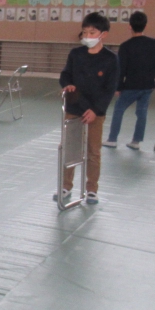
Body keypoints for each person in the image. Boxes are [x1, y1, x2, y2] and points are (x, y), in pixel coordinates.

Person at [58, 12, 119, 206]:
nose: (87, 36)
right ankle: (66, 186)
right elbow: (65, 75)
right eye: (85, 32)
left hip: (95, 113)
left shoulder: (111, 59)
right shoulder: (76, 54)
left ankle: (92, 189)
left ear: (103, 34)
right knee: (70, 148)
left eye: (92, 33)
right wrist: (67, 85)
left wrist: (96, 110)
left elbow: (109, 89)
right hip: (74, 108)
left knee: (93, 151)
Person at [103, 11, 155, 150]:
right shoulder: (154, 43)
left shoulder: (126, 46)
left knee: (119, 109)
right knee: (142, 112)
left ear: (129, 26)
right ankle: (136, 141)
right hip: (148, 85)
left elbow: (121, 69)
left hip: (131, 85)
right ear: (145, 26)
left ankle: (112, 139)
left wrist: (118, 87)